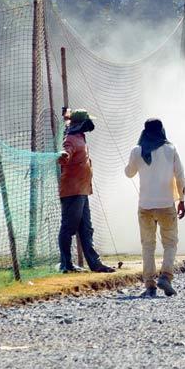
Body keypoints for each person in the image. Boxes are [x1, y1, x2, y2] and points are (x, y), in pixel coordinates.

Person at [124, 119, 185, 297]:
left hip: (145, 206)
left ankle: (149, 285)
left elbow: (129, 173)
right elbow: (180, 177)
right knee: (170, 243)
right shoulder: (171, 149)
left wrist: (131, 162)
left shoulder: (137, 150)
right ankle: (166, 276)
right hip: (166, 204)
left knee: (148, 245)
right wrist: (182, 199)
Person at [56, 109, 116, 274]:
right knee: (68, 228)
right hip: (72, 191)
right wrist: (63, 156)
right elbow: (65, 155)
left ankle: (95, 264)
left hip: (82, 190)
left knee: (86, 228)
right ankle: (66, 265)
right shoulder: (70, 140)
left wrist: (67, 114)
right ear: (81, 123)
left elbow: (69, 120)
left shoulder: (79, 136)